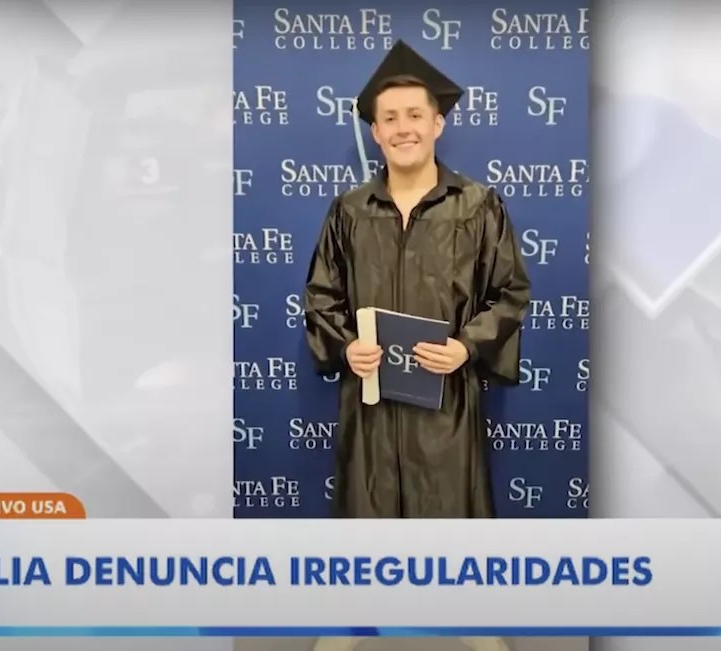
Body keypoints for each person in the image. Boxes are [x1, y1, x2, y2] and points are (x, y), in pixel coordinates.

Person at [303, 40, 530, 651]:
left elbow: (509, 293)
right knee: (365, 505)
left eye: (414, 115)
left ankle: (472, 621)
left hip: (445, 398)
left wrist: (468, 348)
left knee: (450, 505)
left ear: (438, 122)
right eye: (390, 118)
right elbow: (320, 298)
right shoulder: (350, 211)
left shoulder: (477, 207)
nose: (403, 128)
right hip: (371, 397)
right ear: (375, 132)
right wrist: (346, 345)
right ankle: (352, 619)